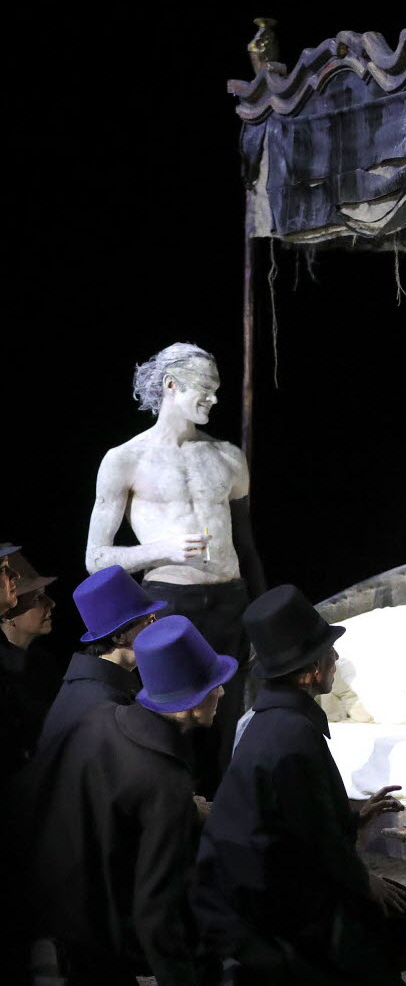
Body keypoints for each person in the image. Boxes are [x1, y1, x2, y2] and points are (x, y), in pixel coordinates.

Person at [195, 585, 406, 984]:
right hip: (270, 906)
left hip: (270, 887)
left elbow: (298, 818)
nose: (336, 658)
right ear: (311, 671)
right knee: (400, 920)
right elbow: (313, 842)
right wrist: (365, 883)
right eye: (328, 652)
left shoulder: (273, 722)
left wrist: (353, 819)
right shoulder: (291, 736)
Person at [86, 342, 266, 797]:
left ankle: (220, 819)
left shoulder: (227, 456)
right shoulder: (126, 459)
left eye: (217, 388)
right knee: (173, 721)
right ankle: (170, 812)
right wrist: (161, 550)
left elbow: (245, 544)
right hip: (170, 604)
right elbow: (95, 558)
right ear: (171, 385)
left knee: (225, 722)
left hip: (229, 601)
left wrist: (258, 613)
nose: (214, 398)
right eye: (204, 387)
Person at [21, 614, 234, 985]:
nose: (223, 693)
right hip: (98, 942)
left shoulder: (103, 718)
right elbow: (156, 910)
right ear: (190, 704)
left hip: (57, 913)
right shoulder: (165, 780)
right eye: (214, 686)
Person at [39, 565, 167, 745]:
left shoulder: (99, 684)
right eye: (150, 621)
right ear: (119, 637)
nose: (158, 627)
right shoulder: (104, 703)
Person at [1, 552, 63, 783]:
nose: (51, 603)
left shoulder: (45, 664)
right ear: (10, 614)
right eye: (38, 599)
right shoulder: (6, 672)